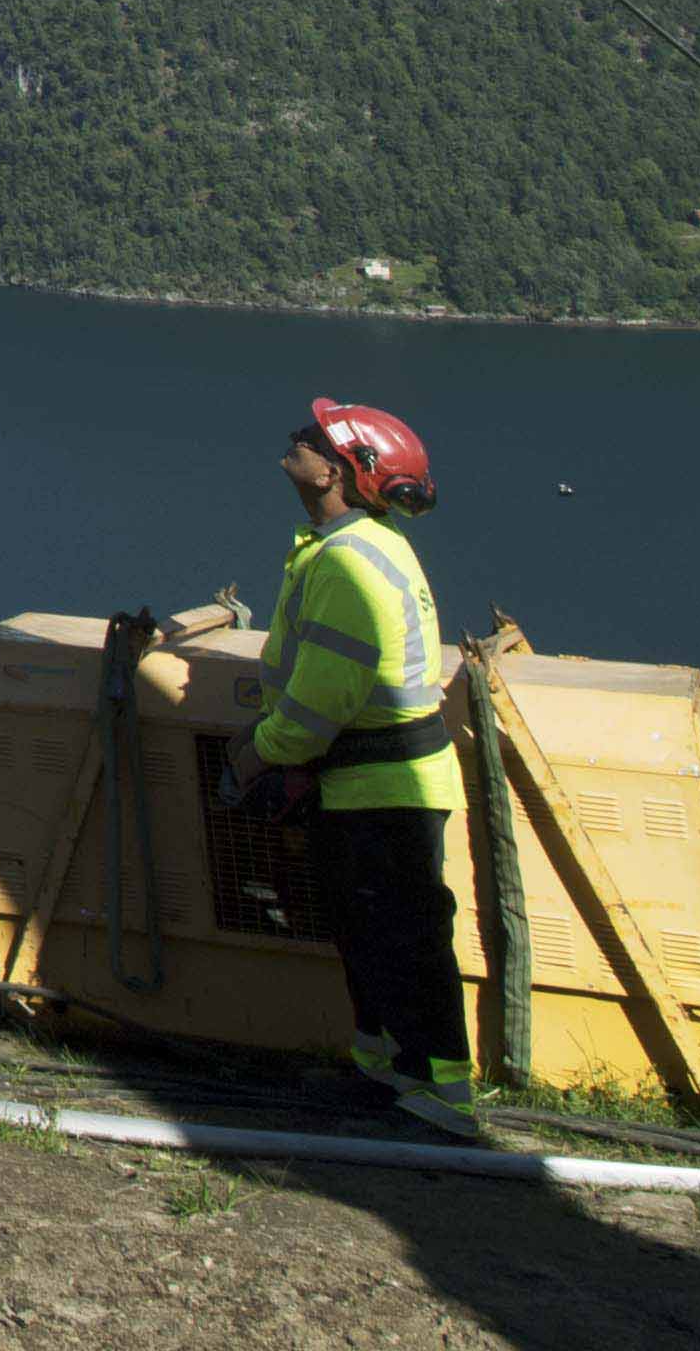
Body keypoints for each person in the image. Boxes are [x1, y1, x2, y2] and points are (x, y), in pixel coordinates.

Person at [235, 395, 473, 1112]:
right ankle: (382, 1071)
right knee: (372, 931)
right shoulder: (359, 547)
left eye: (311, 438)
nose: (296, 440)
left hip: (382, 784)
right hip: (373, 782)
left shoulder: (346, 566)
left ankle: (442, 1096)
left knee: (401, 937)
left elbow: (322, 702)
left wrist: (262, 752)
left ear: (340, 473)